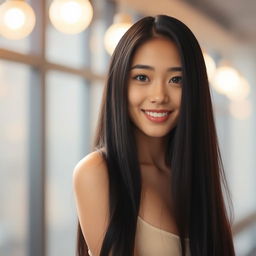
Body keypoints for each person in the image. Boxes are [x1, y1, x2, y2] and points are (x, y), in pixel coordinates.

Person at [72, 15, 235, 256]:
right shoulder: (98, 172)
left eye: (176, 80)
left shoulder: (194, 172)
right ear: (120, 84)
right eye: (142, 77)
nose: (159, 95)